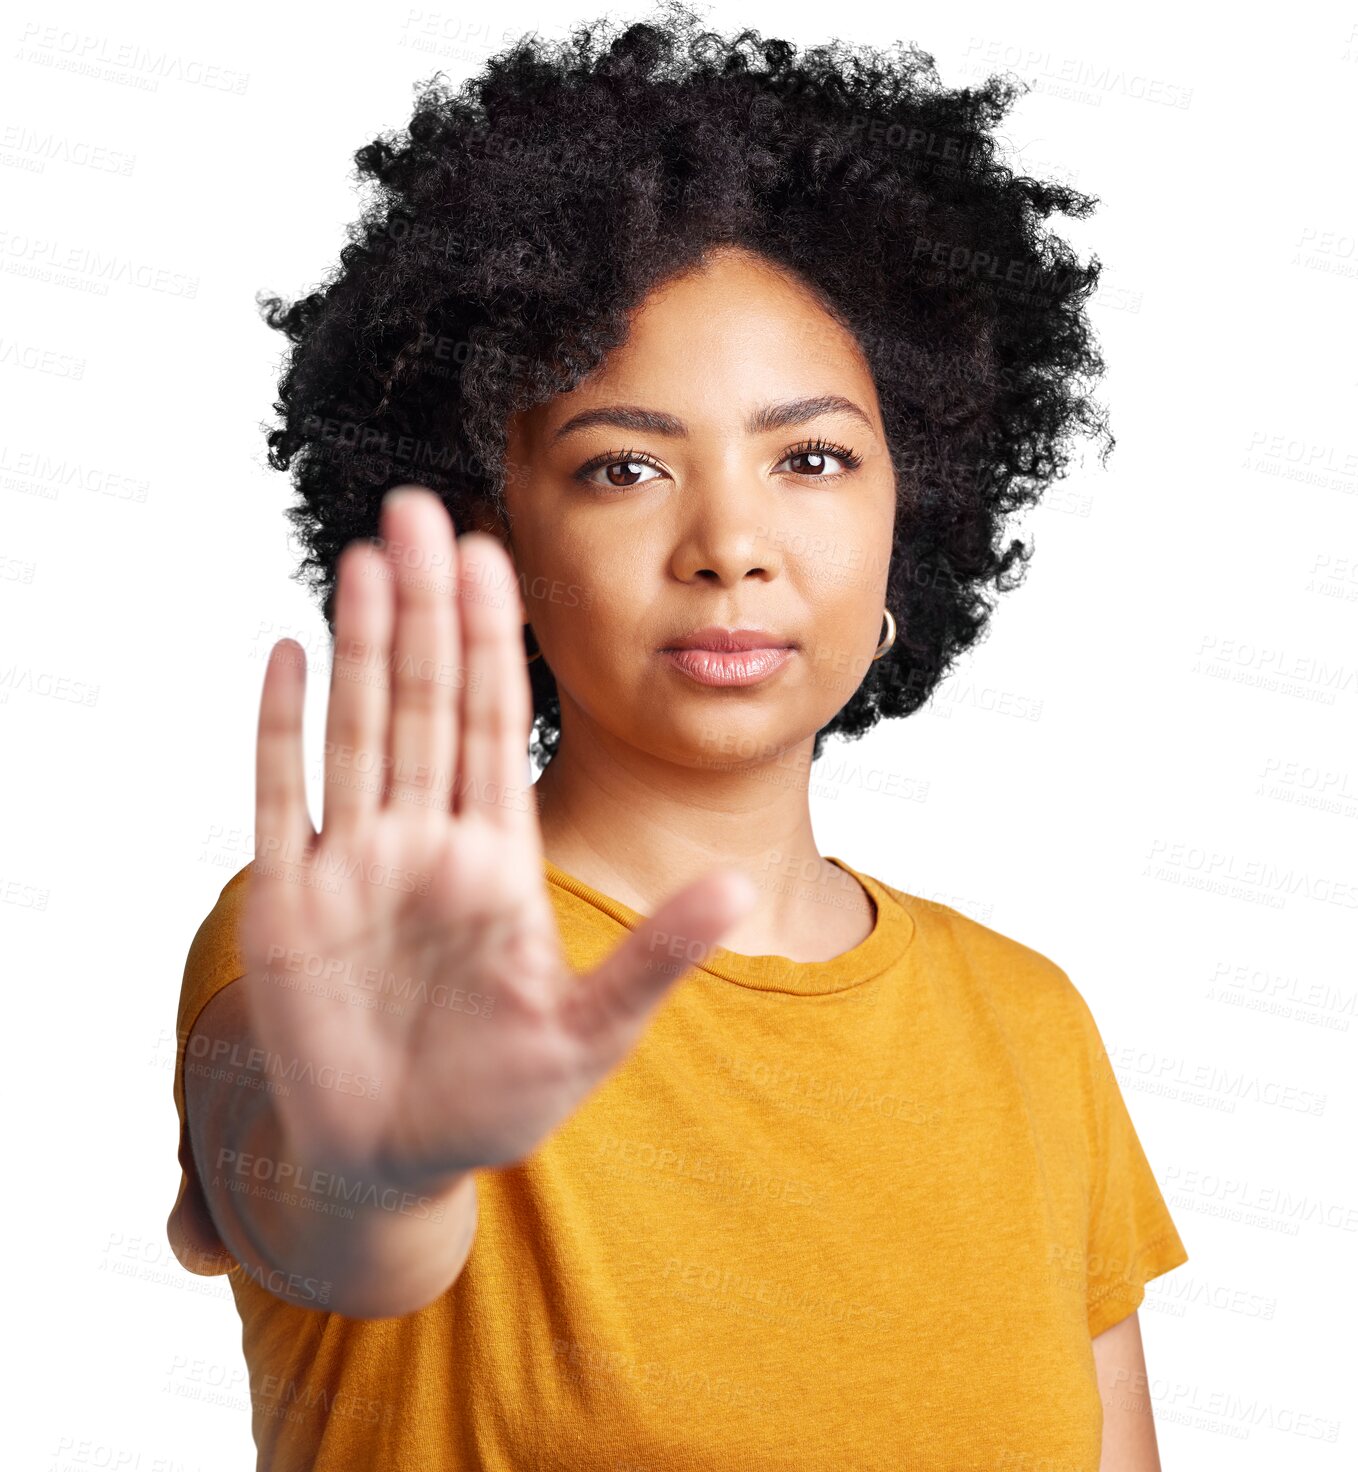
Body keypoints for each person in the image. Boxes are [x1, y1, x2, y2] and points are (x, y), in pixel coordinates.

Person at [167, 6, 1188, 1468]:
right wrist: (377, 1163)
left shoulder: (1027, 1025)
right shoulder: (344, 951)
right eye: (623, 465)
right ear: (493, 531)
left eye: (812, 457)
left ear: (923, 504)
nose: (729, 543)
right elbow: (333, 1217)